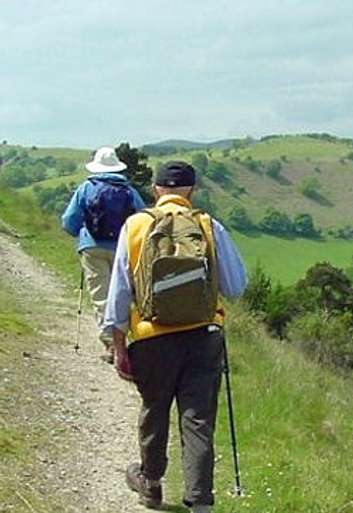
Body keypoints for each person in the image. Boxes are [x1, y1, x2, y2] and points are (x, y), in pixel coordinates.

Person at [104, 161, 247, 513]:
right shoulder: (208, 226)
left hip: (152, 337)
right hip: (203, 336)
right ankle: (200, 502)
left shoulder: (136, 226)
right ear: (192, 192)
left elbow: (119, 293)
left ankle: (151, 483)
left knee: (155, 410)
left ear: (155, 191)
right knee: (198, 419)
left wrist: (118, 344)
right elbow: (236, 286)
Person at [61, 146, 146, 363]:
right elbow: (143, 220)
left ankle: (110, 344)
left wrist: (81, 235)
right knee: (122, 293)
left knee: (101, 295)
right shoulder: (129, 191)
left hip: (92, 247)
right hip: (123, 248)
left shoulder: (87, 188)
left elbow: (69, 221)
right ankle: (127, 340)